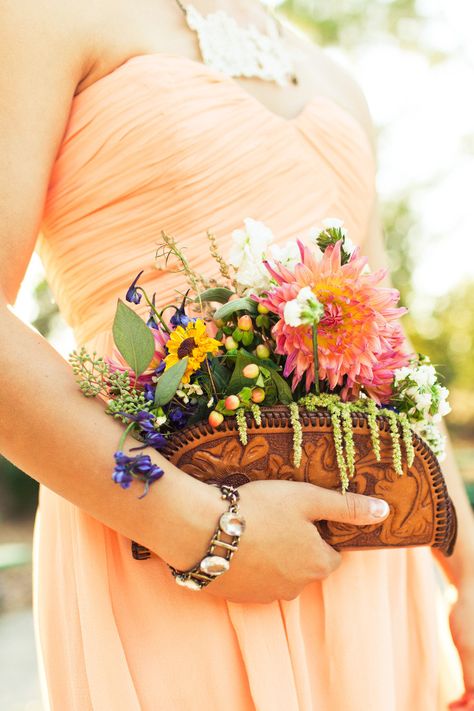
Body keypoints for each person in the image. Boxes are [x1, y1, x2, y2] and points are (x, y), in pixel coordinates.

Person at [1, 0, 473, 708]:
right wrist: (201, 528)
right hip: (159, 542)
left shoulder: (337, 80)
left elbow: (393, 358)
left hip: (370, 564)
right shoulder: (45, 14)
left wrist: (469, 568)